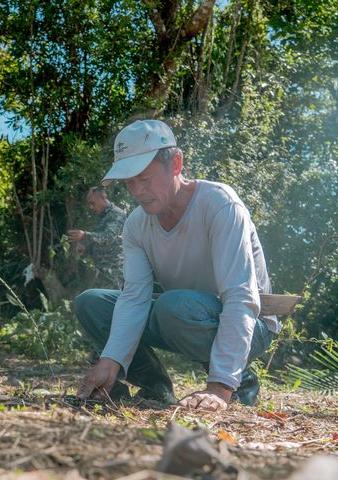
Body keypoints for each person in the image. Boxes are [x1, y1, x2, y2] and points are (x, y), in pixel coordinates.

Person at [74, 120, 276, 411]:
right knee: (91, 303)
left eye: (145, 177)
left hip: (251, 324)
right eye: (130, 182)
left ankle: (238, 378)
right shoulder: (136, 225)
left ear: (176, 164)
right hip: (180, 315)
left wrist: (219, 388)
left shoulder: (220, 205)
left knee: (173, 306)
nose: (138, 191)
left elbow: (240, 297)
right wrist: (111, 360)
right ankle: (155, 386)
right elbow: (134, 298)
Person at [67, 187, 126, 289]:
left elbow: (109, 237)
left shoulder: (117, 213)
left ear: (103, 198)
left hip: (113, 271)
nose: (91, 207)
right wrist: (87, 249)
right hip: (102, 271)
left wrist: (85, 235)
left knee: (111, 302)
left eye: (92, 203)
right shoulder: (101, 217)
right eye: (89, 204)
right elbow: (101, 243)